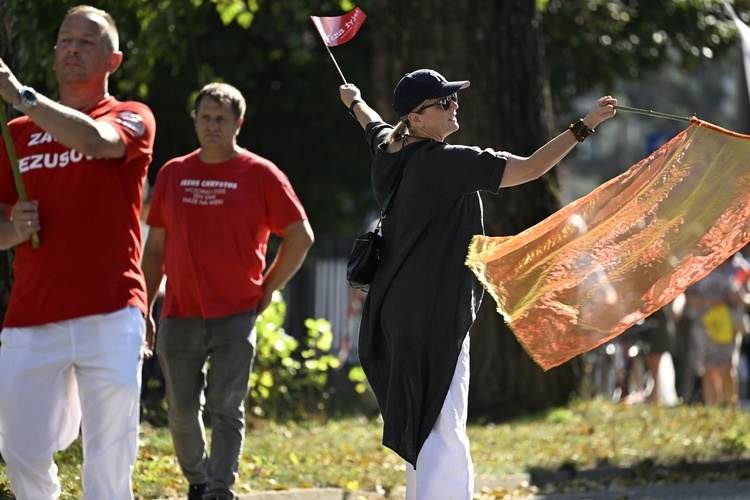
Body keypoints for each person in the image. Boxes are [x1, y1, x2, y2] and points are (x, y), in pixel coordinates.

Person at [339, 69, 616, 499]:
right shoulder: (446, 163)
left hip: (394, 310)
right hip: (433, 312)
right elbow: (531, 167)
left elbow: (370, 121)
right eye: (442, 103)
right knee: (443, 425)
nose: (454, 107)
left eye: (453, 99)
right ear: (415, 117)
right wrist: (586, 126)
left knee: (423, 421)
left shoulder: (388, 150)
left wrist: (354, 100)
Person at [0, 5, 155, 499]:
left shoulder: (132, 116)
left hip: (111, 311)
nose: (71, 47)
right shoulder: (17, 133)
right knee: (21, 452)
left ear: (113, 60)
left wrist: (19, 95)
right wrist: (12, 231)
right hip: (31, 314)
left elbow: (95, 141)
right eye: (65, 40)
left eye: (87, 41)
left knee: (109, 457)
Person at [141, 82, 314, 500]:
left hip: (236, 313)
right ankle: (198, 479)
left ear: (238, 123)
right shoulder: (173, 173)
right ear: (195, 122)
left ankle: (219, 489)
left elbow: (300, 236)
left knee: (226, 408)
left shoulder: (260, 174)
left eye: (221, 118)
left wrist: (269, 287)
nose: (212, 125)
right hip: (179, 313)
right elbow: (156, 248)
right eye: (205, 117)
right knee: (181, 412)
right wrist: (143, 306)